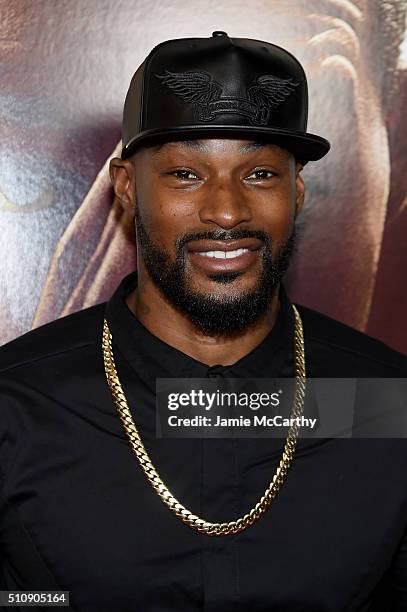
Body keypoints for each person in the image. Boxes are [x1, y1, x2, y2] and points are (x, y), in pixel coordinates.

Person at [0, 32, 406, 612]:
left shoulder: (387, 402)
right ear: (125, 188)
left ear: (297, 191)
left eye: (260, 174)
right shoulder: (18, 403)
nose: (226, 210)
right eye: (186, 175)